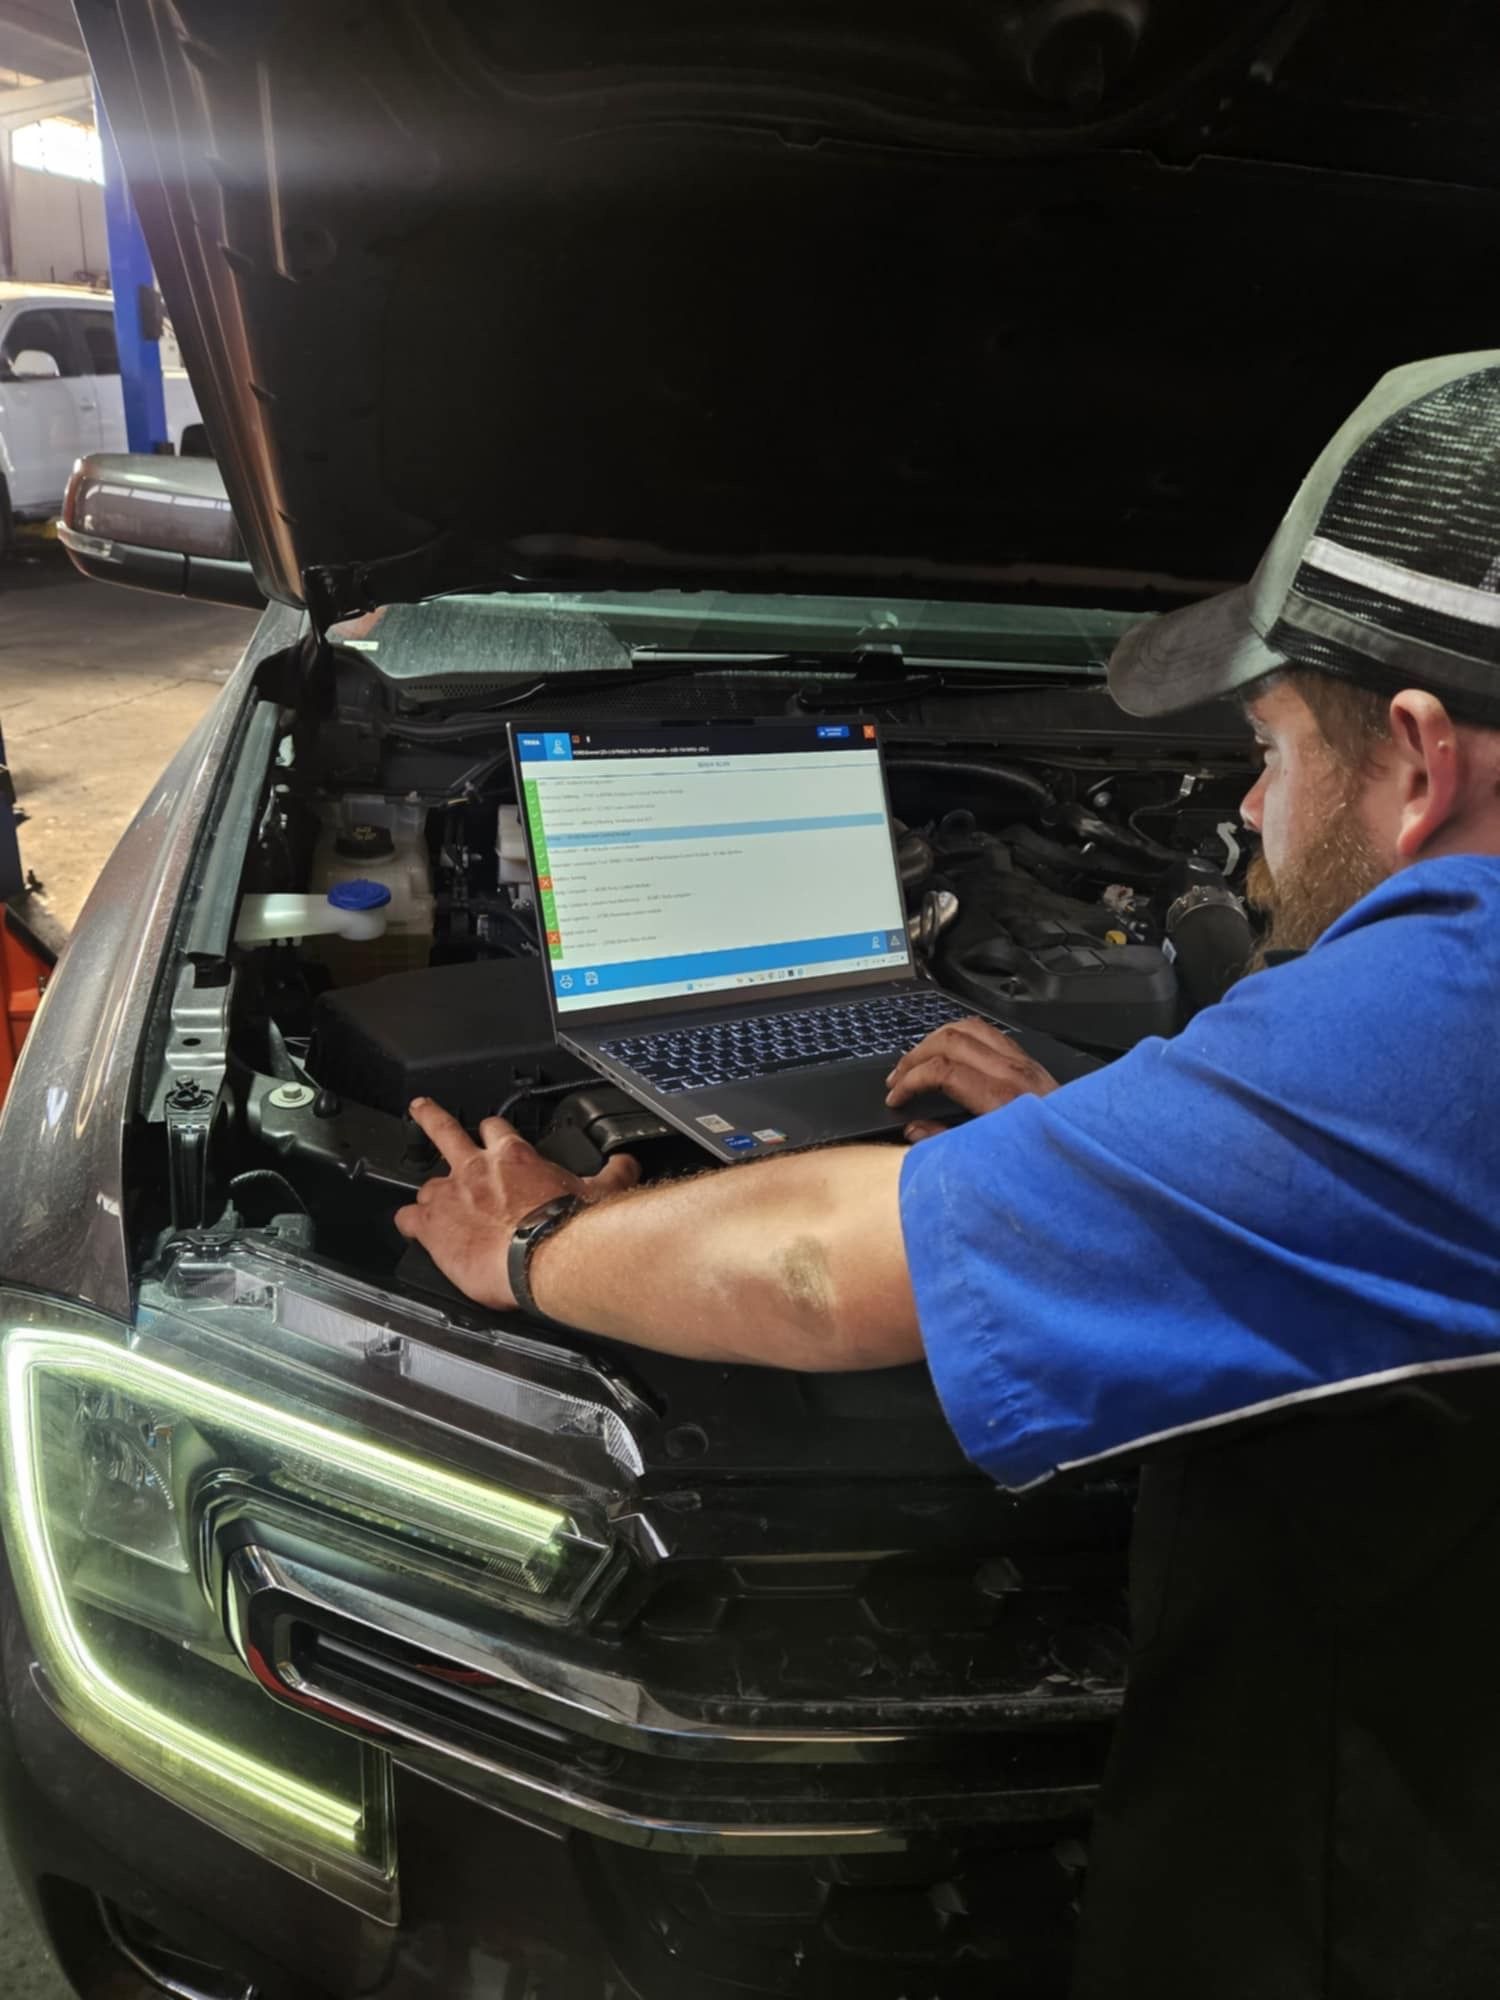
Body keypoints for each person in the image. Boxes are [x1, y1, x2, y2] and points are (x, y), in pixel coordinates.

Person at [396, 351, 1500, 1998]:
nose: (1248, 809)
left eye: (1268, 748)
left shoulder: (1444, 1000)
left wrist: (535, 1240)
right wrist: (1111, 1137)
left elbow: (820, 1268)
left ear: (1417, 756)